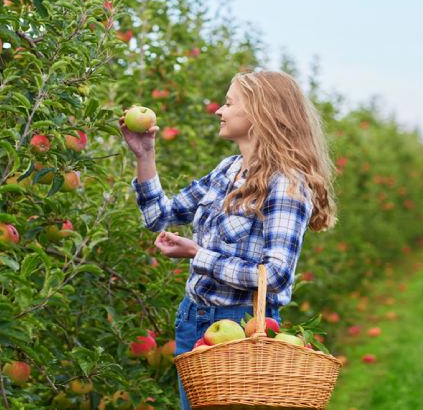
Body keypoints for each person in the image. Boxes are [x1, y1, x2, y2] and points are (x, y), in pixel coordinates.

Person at [119, 70, 338, 410]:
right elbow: (159, 216)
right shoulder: (227, 170)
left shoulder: (287, 184)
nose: (219, 111)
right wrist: (145, 155)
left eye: (229, 103)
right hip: (194, 321)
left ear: (259, 113)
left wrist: (198, 254)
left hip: (244, 329)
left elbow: (277, 274)